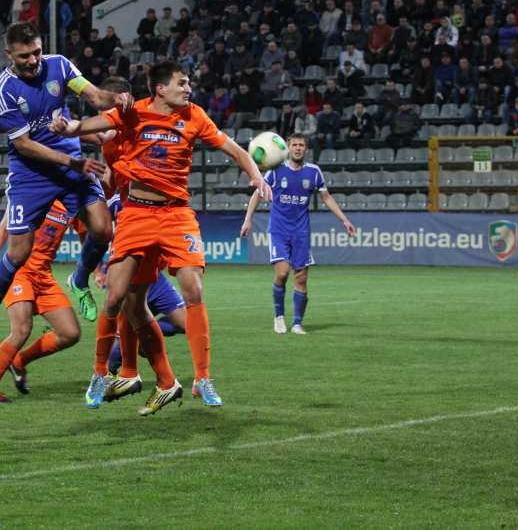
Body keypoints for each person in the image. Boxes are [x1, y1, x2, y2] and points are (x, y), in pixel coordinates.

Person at [51, 61, 272, 415]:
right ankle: (100, 375)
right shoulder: (134, 113)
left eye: (188, 83)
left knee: (194, 289)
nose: (188, 88)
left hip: (176, 215)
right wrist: (69, 126)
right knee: (118, 298)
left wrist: (257, 177)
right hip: (135, 214)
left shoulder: (195, 116)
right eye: (182, 83)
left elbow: (235, 150)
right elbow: (95, 126)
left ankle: (202, 379)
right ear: (160, 89)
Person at [0, 22, 131, 356]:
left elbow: (93, 95)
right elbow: (25, 146)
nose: (33, 60)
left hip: (70, 162)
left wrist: (114, 99)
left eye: (36, 51)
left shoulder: (59, 65)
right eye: (24, 56)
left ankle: (79, 279)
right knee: (18, 254)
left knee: (103, 229)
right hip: (31, 174)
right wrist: (71, 162)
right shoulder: (2, 89)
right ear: (9, 55)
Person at [240, 134, 356, 334]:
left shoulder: (314, 172)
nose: (298, 148)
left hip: (301, 232)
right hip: (279, 230)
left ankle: (297, 324)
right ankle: (279, 317)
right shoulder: (277, 171)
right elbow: (258, 193)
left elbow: (326, 197)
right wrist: (248, 219)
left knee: (301, 278)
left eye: (301, 145)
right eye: (294, 145)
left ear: (306, 149)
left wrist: (344, 220)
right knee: (283, 273)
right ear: (288, 148)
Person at [0, 201, 82, 403]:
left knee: (70, 333)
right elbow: (4, 227)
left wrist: (97, 269)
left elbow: (88, 232)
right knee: (22, 329)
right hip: (19, 272)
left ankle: (20, 360)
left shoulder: (72, 198)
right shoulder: (34, 190)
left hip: (44, 277)